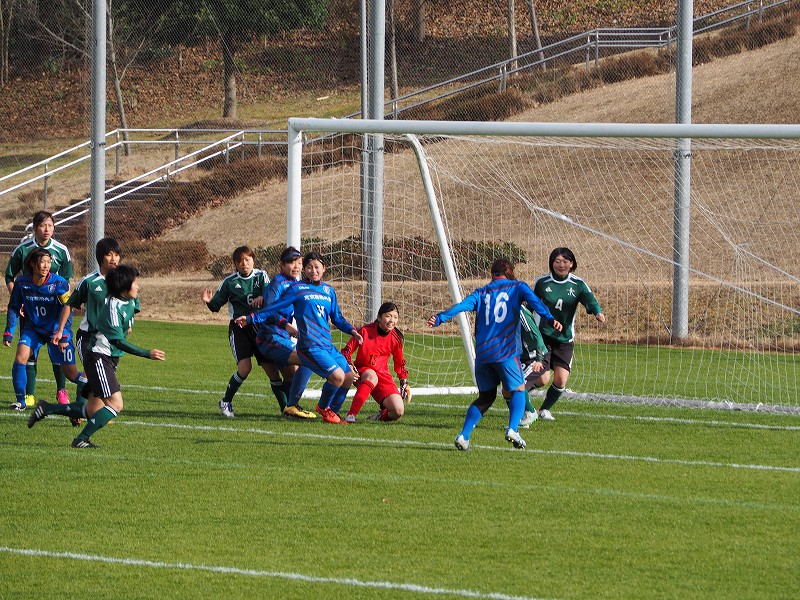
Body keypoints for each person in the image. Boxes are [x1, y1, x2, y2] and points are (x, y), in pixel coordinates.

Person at [427, 258, 562, 451]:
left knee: (485, 397)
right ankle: (513, 429)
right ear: (510, 273)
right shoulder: (518, 287)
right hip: (506, 353)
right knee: (518, 389)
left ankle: (464, 435)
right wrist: (549, 318)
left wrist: (440, 318)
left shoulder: (481, 292)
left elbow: (461, 306)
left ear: (492, 274)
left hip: (482, 355)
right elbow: (536, 303)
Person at [28, 265, 166, 449]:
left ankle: (47, 408)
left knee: (93, 409)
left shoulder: (129, 300)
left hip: (109, 359)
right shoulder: (111, 307)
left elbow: (131, 313)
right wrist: (146, 353)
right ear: (124, 287)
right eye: (135, 283)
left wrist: (129, 324)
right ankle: (80, 439)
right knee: (116, 404)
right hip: (99, 358)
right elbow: (117, 341)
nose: (138, 287)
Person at [236, 251, 363, 424]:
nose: (313, 270)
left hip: (327, 345)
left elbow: (337, 318)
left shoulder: (328, 290)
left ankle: (332, 412)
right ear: (305, 270)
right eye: (309, 267)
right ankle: (322, 408)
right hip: (310, 346)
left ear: (324, 268)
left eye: (316, 267)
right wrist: (251, 318)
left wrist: (352, 330)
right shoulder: (297, 289)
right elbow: (274, 307)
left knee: (348, 377)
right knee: (337, 377)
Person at [524, 247, 605, 421]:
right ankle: (518, 398)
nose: (561, 265)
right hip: (542, 337)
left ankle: (543, 410)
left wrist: (597, 312)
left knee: (561, 380)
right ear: (552, 263)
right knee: (543, 378)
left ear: (572, 263)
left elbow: (590, 300)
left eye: (565, 261)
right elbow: (529, 304)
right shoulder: (542, 283)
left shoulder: (578, 284)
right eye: (557, 261)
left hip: (564, 339)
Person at [51, 237, 124, 426]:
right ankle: (80, 411)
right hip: (88, 338)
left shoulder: (123, 281)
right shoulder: (90, 281)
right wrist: (60, 330)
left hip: (110, 340)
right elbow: (70, 304)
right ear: (100, 257)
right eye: (109, 254)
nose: (114, 259)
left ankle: (92, 410)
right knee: (90, 374)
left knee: (101, 377)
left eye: (117, 255)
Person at [4, 210, 74, 408]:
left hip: (54, 314)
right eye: (43, 225)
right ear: (35, 228)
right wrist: (22, 301)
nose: (47, 229)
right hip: (31, 312)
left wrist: (63, 322)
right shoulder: (23, 250)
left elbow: (66, 282)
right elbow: (10, 277)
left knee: (57, 355)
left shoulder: (61, 250)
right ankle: (28, 396)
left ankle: (62, 392)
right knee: (28, 354)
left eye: (50, 225)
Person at [4, 249, 86, 412]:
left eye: (49, 262)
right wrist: (9, 332)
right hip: (34, 329)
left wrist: (63, 334)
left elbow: (68, 308)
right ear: (33, 264)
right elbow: (13, 307)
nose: (47, 265)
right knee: (20, 357)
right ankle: (21, 401)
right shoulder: (21, 283)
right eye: (43, 262)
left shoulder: (59, 283)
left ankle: (98, 388)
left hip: (56, 331)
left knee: (71, 374)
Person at [201, 245, 275, 418]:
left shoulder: (261, 276)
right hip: (239, 329)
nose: (244, 264)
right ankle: (226, 401)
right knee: (245, 368)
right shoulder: (230, 282)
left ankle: (285, 408)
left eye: (247, 259)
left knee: (271, 370)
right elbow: (215, 306)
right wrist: (208, 301)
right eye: (239, 261)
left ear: (253, 260)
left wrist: (263, 296)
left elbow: (270, 295)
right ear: (235, 264)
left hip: (260, 327)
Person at [256, 246, 314, 419]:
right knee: (309, 359)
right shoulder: (278, 283)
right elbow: (269, 310)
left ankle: (290, 409)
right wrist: (286, 325)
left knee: (292, 375)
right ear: (282, 265)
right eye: (291, 262)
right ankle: (292, 405)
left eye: (299, 263)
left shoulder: (297, 284)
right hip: (270, 336)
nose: (296, 266)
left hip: (283, 337)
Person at [341, 302, 411, 423]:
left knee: (398, 410)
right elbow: (347, 350)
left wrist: (403, 381)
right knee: (371, 375)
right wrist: (349, 365)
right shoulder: (365, 331)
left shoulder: (396, 338)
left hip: (382, 376)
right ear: (379, 317)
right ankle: (351, 415)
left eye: (395, 317)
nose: (392, 320)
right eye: (388, 316)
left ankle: (380, 416)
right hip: (362, 372)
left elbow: (399, 362)